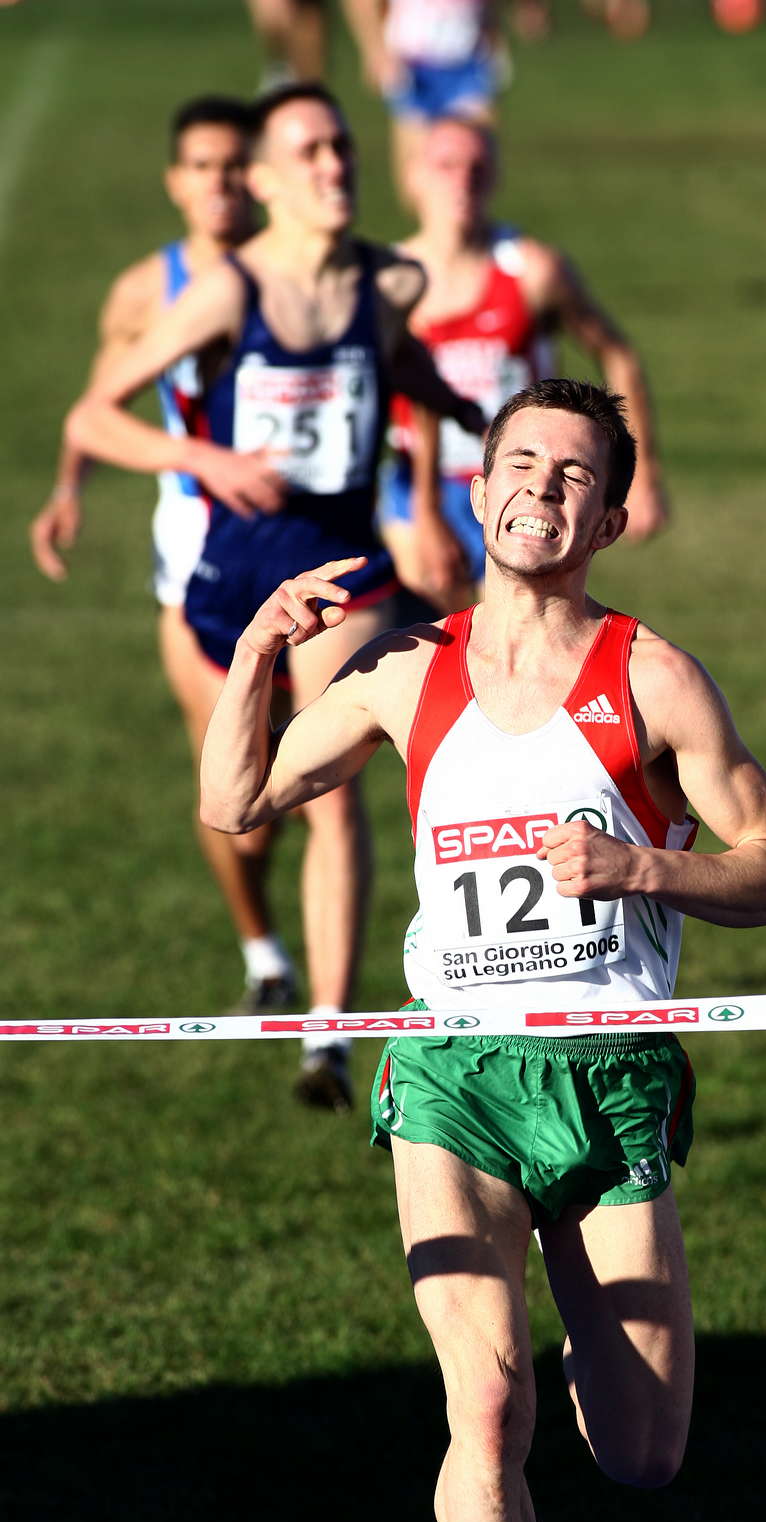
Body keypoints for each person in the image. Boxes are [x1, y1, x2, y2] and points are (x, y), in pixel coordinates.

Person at [198, 378, 766, 1522]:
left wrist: (645, 868)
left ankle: (592, 1346)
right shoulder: (406, 672)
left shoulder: (651, 677)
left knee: (642, 1453)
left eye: (574, 473)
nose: (541, 485)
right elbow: (234, 801)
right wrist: (254, 654)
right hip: (452, 1071)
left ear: (609, 518)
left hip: (606, 1075)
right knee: (482, 1405)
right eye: (520, 461)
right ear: (478, 490)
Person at [67, 83, 482, 1111]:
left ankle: (326, 1037)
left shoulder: (391, 281)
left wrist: (466, 434)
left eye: (342, 146)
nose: (335, 167)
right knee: (241, 819)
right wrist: (203, 457)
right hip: (231, 577)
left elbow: (400, 367)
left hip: (343, 570)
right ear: (263, 181)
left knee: (330, 797)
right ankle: (263, 947)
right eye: (310, 153)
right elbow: (92, 415)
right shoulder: (225, 293)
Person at [29, 95, 300, 1005]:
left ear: (259, 178)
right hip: (194, 538)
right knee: (233, 775)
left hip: (306, 532)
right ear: (176, 182)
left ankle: (329, 1000)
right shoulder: (147, 290)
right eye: (202, 167)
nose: (220, 184)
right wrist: (69, 489)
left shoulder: (304, 269)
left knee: (315, 774)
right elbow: (100, 396)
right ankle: (264, 954)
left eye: (234, 166)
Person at [381, 116, 669, 596]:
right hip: (421, 486)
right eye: (446, 165)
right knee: (429, 627)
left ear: (494, 176)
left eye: (477, 167)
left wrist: (642, 477)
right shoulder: (387, 283)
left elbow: (616, 354)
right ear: (413, 176)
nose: (462, 180)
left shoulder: (532, 271)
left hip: (525, 481)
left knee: (521, 628)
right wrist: (425, 509)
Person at [344, 0, 506, 201]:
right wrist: (374, 48)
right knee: (418, 179)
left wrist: (494, 30)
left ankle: (470, 220)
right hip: (413, 65)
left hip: (469, 59)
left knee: (478, 164)